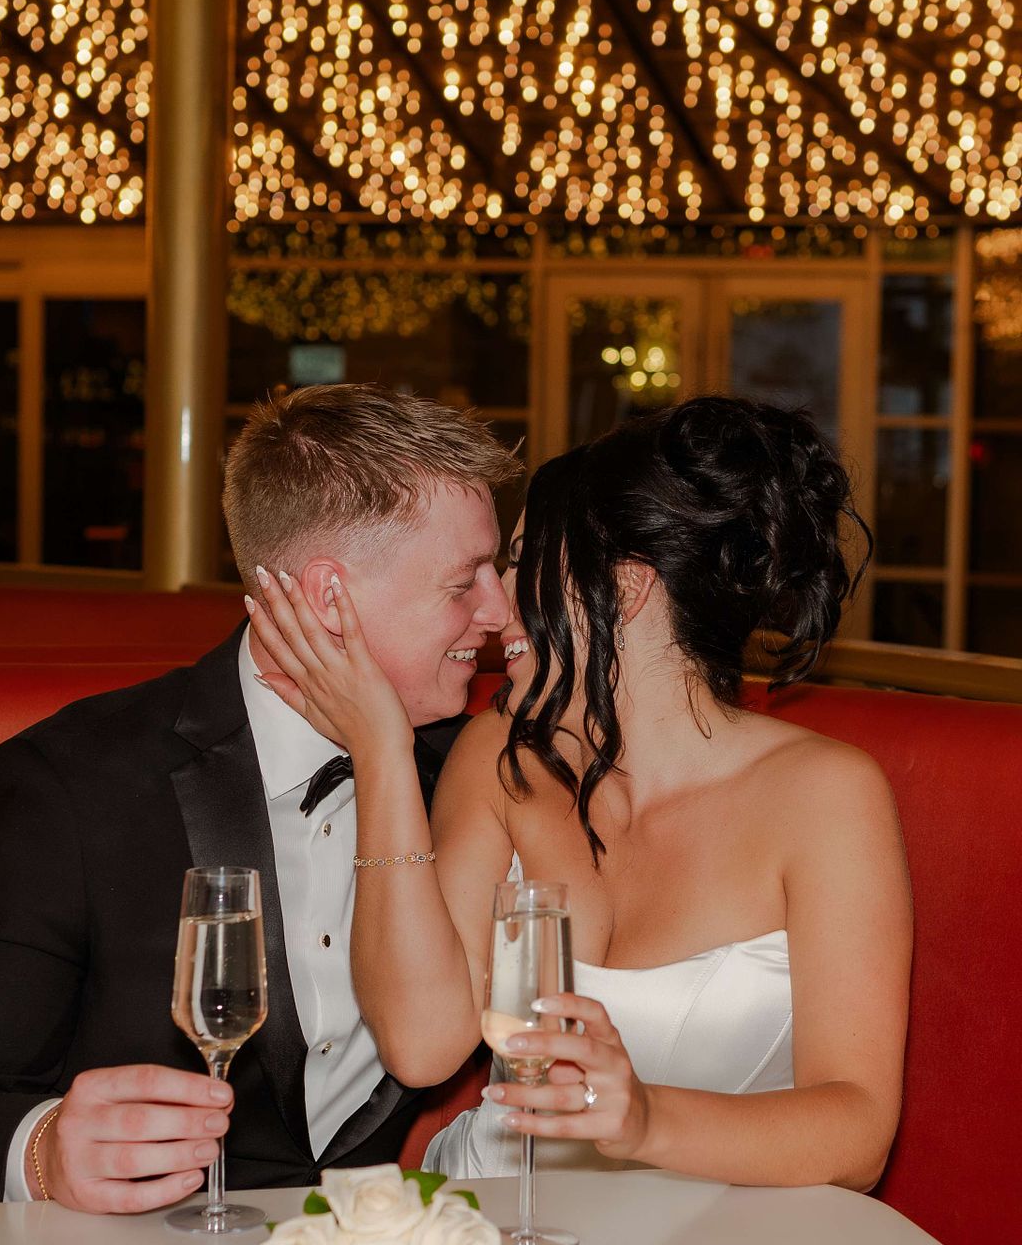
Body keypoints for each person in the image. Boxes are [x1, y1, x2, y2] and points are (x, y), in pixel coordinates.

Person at [0, 383, 520, 1209]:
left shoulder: (475, 773)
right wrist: (47, 1153)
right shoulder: (75, 781)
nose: (498, 610)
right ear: (330, 600)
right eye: (463, 583)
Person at [246, 395, 912, 1190]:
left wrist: (647, 1120)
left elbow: (859, 1133)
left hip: (714, 1238)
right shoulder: (500, 753)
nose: (497, 603)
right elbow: (421, 1045)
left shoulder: (825, 797)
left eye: (523, 560)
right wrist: (381, 750)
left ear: (625, 589)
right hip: (496, 1210)